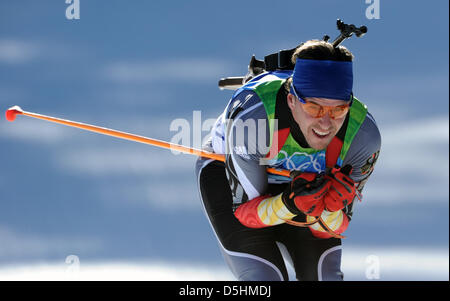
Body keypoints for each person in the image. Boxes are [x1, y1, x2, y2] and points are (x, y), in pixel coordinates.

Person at [195, 40, 381, 281]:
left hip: (302, 190)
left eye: (338, 110)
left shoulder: (363, 136)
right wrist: (290, 204)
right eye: (314, 108)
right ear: (292, 100)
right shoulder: (254, 121)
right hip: (229, 176)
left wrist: (329, 211)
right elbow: (246, 215)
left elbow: (334, 228)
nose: (326, 123)